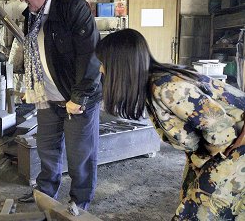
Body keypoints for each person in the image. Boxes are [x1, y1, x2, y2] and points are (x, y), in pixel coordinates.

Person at [95, 28, 244, 220]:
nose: (101, 69)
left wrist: (209, 169)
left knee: (200, 211)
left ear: (121, 65)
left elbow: (221, 131)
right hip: (214, 149)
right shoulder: (150, 85)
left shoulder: (167, 88)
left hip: (234, 147)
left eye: (103, 63)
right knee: (190, 198)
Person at [17, 0, 102, 210]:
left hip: (76, 98)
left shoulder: (72, 7)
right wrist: (31, 87)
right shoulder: (31, 14)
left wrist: (80, 97)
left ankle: (79, 201)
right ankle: (45, 194)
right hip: (47, 97)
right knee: (47, 150)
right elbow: (35, 54)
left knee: (80, 155)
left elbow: (90, 56)